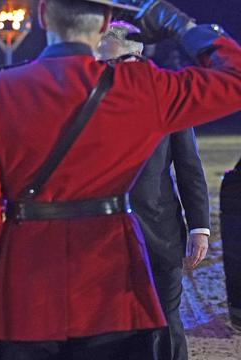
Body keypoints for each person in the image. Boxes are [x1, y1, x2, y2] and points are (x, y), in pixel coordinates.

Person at [0, 0, 241, 358]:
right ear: (107, 19)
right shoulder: (140, 87)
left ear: (43, 14)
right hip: (112, 287)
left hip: (26, 285)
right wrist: (180, 26)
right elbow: (234, 77)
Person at [98, 22, 210, 360]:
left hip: (159, 236)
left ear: (137, 59)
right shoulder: (88, 104)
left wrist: (199, 228)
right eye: (103, 63)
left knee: (164, 322)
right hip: (101, 241)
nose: (107, 71)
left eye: (114, 62)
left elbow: (189, 168)